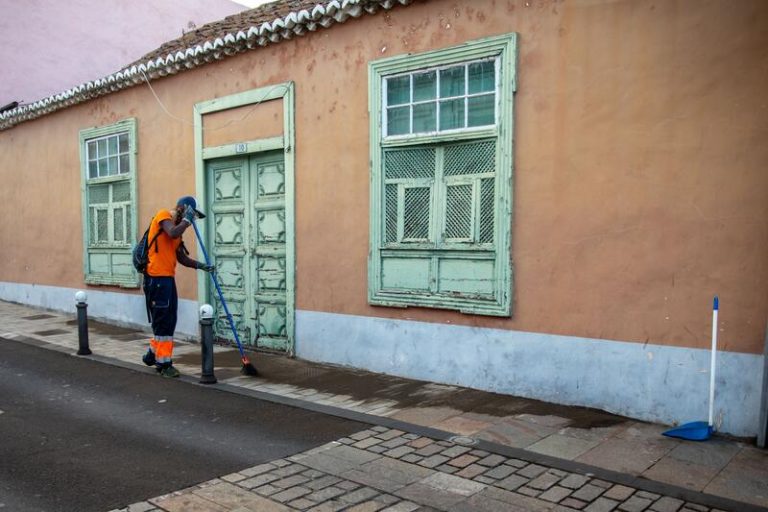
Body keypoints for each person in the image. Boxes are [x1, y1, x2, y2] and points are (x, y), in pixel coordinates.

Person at [141, 196, 214, 378]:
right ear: (182, 208)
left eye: (194, 217)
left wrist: (200, 265)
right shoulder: (163, 216)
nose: (192, 219)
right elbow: (171, 232)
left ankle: (152, 353)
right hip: (156, 279)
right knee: (163, 321)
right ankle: (164, 364)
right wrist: (187, 221)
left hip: (167, 279)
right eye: (192, 214)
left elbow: (181, 257)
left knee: (169, 318)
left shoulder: (178, 231)